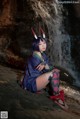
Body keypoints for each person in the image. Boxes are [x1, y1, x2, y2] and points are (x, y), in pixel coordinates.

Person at [22, 28, 68, 110]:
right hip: (32, 83)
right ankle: (56, 97)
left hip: (38, 80)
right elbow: (48, 69)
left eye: (44, 43)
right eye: (40, 44)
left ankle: (54, 93)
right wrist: (47, 66)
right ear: (35, 45)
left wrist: (46, 65)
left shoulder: (43, 55)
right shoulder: (34, 57)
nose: (44, 45)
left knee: (55, 71)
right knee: (54, 73)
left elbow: (50, 66)